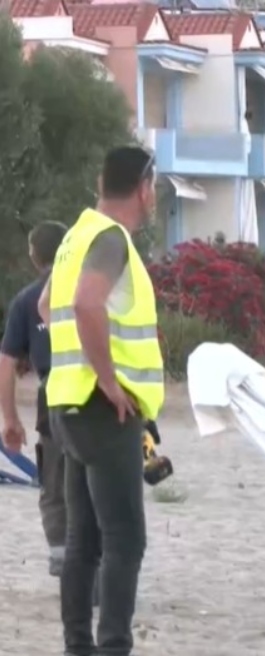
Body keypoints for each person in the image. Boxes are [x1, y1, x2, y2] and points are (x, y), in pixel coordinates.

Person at [40, 145, 165, 656]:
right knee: (124, 539)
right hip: (102, 408)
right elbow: (85, 302)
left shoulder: (75, 236)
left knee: (84, 543)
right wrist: (110, 379)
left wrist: (80, 357)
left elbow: (49, 305)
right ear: (144, 187)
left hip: (66, 406)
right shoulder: (111, 240)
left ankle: (78, 647)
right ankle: (112, 647)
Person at [0, 221, 69, 576]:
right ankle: (97, 558)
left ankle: (60, 553)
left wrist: (10, 418)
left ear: (34, 255)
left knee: (53, 480)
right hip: (99, 393)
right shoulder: (90, 289)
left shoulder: (27, 300)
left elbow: (7, 363)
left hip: (55, 394)